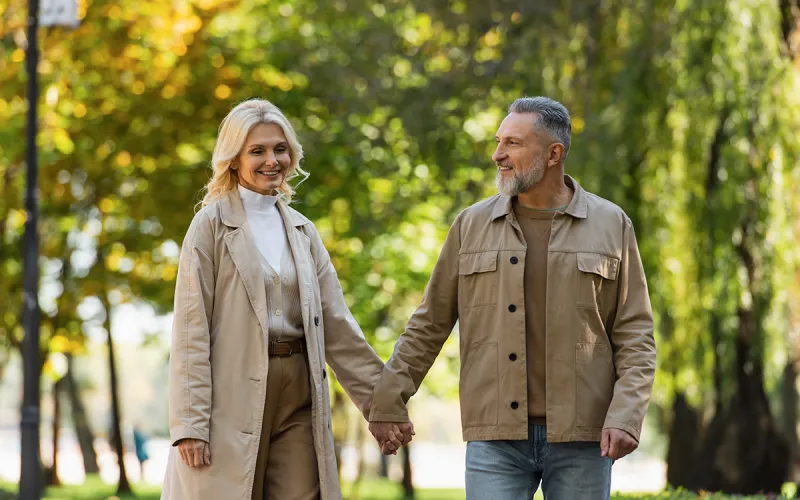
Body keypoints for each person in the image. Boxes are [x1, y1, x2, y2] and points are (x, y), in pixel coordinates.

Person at [369, 96, 656, 499]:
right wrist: (387, 399)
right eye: (499, 141)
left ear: (554, 153)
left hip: (583, 437)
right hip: (496, 437)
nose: (497, 154)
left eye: (513, 144)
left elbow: (636, 335)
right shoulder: (471, 225)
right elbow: (429, 323)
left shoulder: (611, 225)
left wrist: (626, 416)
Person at [161, 99, 412, 500]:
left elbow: (338, 327)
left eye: (279, 149)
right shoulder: (209, 226)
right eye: (257, 151)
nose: (271, 160)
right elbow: (190, 332)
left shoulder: (303, 231)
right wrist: (190, 424)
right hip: (231, 398)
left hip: (299, 395)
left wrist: (383, 405)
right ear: (234, 159)